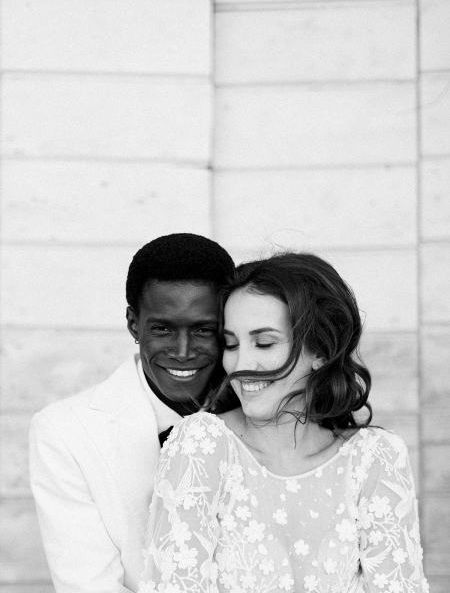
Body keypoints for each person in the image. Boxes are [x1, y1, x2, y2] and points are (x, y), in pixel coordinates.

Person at [139, 252, 429, 593]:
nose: (241, 363)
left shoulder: (374, 457)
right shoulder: (203, 444)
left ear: (320, 350)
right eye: (231, 344)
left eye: (264, 343)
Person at [29, 233, 235, 593]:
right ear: (133, 324)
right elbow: (89, 586)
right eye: (163, 329)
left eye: (204, 329)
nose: (183, 351)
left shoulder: (268, 413)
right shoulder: (63, 432)